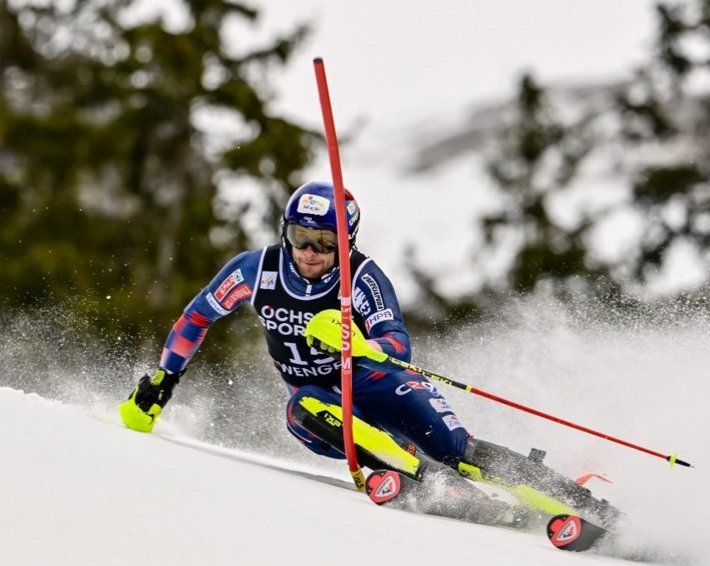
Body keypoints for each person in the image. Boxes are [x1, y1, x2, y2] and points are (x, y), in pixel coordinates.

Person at [119, 180, 614, 526]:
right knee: (300, 407)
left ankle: (580, 503)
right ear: (285, 232)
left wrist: (358, 341)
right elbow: (195, 319)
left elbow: (398, 343)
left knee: (458, 449)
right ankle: (425, 482)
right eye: (300, 238)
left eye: (324, 242)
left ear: (345, 242)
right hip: (325, 406)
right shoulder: (256, 270)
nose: (310, 252)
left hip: (379, 383)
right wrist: (166, 379)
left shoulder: (362, 277)